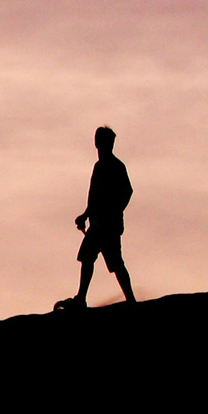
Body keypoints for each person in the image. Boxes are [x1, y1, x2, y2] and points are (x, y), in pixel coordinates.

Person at [60, 126, 138, 311]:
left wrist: (114, 211)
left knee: (113, 262)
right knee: (89, 258)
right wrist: (85, 215)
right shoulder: (99, 167)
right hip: (98, 224)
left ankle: (130, 301)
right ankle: (82, 298)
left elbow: (127, 191)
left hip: (108, 225)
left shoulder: (116, 166)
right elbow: (95, 198)